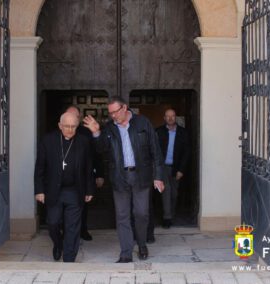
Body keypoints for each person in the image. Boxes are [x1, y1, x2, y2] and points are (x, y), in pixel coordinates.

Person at [83, 96, 164, 263]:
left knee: (141, 214)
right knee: (122, 216)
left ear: (125, 108)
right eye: (110, 112)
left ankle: (141, 244)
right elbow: (100, 150)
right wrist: (96, 132)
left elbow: (155, 151)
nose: (113, 116)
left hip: (141, 175)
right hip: (120, 177)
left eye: (115, 112)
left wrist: (158, 176)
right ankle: (126, 252)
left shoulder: (143, 123)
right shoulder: (109, 128)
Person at [34, 112, 94, 262]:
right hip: (54, 191)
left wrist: (89, 190)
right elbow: (39, 168)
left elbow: (88, 168)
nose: (70, 130)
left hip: (74, 190)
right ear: (60, 126)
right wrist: (39, 190)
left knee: (72, 226)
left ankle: (69, 259)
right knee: (53, 222)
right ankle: (58, 244)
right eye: (66, 126)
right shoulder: (48, 141)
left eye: (73, 126)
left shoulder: (83, 141)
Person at [65, 105, 105, 241]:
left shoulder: (87, 132)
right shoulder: (58, 132)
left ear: (79, 118)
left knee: (82, 205)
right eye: (69, 115)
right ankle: (66, 231)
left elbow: (96, 154)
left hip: (83, 176)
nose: (72, 119)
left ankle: (83, 230)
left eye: (75, 116)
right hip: (64, 178)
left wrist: (99, 174)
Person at [156, 109, 189, 228]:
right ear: (164, 118)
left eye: (172, 116)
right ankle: (167, 218)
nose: (170, 118)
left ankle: (171, 214)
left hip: (176, 168)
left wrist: (181, 170)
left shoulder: (183, 133)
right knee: (166, 190)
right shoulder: (158, 131)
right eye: (167, 116)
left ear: (176, 118)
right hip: (163, 167)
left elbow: (186, 153)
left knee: (174, 194)